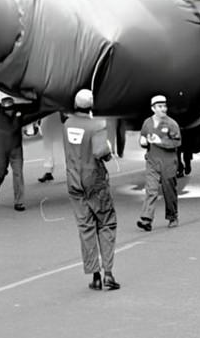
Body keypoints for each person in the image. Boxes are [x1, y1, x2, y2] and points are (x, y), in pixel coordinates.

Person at [63, 89, 120, 291]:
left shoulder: (67, 124)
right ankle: (109, 273)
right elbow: (99, 151)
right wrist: (108, 153)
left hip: (74, 179)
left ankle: (94, 274)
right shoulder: (96, 125)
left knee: (85, 227)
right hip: (94, 180)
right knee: (106, 223)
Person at [137, 94, 181, 231]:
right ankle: (146, 219)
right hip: (152, 161)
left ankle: (172, 216)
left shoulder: (172, 124)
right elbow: (143, 137)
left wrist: (160, 141)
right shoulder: (147, 123)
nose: (163, 109)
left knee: (169, 192)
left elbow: (177, 142)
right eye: (160, 106)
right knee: (151, 190)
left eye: (164, 106)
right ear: (153, 108)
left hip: (168, 162)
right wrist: (142, 142)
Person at [0, 94, 26, 212]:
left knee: (18, 174)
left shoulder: (19, 111)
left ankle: (19, 202)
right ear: (3, 108)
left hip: (15, 148)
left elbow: (34, 105)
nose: (9, 111)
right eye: (7, 109)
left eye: (11, 108)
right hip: (1, 149)